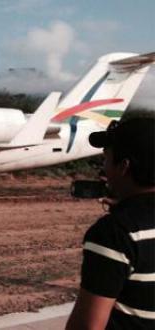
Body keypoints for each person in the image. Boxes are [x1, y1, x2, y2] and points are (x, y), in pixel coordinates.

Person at [66, 113, 155, 329]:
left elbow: (88, 326)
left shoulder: (114, 233)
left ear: (124, 167)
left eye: (106, 159)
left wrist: (123, 220)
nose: (103, 170)